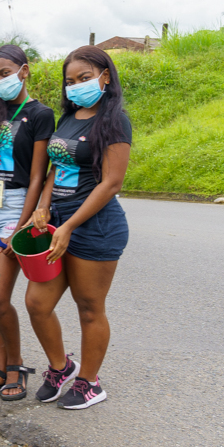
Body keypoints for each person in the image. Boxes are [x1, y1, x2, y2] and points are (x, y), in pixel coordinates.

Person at [26, 45, 132, 410]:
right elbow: (57, 165)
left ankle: (89, 382)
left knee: (89, 307)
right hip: (58, 224)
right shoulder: (68, 118)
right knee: (37, 303)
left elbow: (111, 183)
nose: (76, 86)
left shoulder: (114, 120)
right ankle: (61, 367)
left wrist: (69, 224)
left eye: (84, 78)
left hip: (95, 227)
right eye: (70, 81)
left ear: (105, 76)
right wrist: (43, 205)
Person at [0, 45, 55, 401]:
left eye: (4, 73)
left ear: (24, 70)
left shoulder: (39, 114)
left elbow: (37, 177)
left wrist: (21, 225)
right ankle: (0, 369)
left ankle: (17, 366)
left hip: (13, 208)